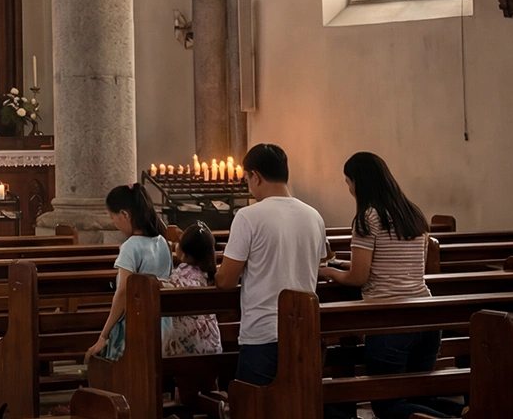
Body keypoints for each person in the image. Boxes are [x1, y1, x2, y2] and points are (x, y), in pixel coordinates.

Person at [317, 152, 459, 419]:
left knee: (388, 407)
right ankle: (467, 411)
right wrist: (345, 264)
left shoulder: (368, 218)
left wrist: (329, 272)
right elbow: (402, 266)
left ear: (359, 181)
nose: (349, 189)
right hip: (427, 316)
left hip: (391, 321)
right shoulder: (412, 213)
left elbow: (359, 278)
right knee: (420, 398)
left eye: (348, 182)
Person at [217, 143, 329, 386]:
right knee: (298, 402)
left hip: (263, 333)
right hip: (305, 329)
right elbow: (319, 260)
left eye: (247, 178)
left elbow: (226, 281)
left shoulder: (248, 216)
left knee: (256, 403)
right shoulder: (314, 216)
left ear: (255, 176)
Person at [87, 184, 171, 362]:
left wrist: (104, 335)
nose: (114, 223)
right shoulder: (162, 242)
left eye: (113, 217)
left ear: (125, 214)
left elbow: (123, 293)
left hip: (137, 324)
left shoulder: (131, 247)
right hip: (162, 322)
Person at [164, 224, 223, 358]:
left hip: (185, 349)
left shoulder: (179, 276)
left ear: (186, 254)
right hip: (214, 347)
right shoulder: (211, 275)